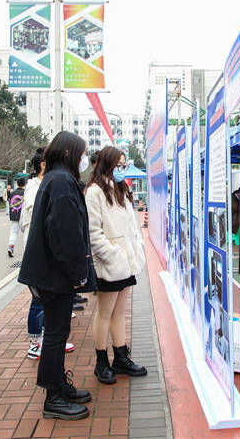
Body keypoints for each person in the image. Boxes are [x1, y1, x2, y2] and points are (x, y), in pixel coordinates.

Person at [18, 131, 96, 420]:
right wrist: (78, 273)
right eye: (82, 153)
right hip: (54, 273)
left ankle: (59, 385)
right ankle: (53, 396)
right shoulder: (62, 181)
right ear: (70, 153)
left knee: (57, 332)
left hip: (49, 272)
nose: (84, 158)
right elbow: (64, 234)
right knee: (55, 335)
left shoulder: (57, 177)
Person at [85, 147, 147, 384]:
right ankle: (102, 362)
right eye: (118, 165)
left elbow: (131, 226)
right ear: (107, 164)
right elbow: (94, 233)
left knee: (120, 312)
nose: (122, 169)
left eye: (124, 164)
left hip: (126, 262)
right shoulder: (94, 192)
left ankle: (121, 356)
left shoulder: (121, 188)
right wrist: (114, 255)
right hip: (111, 263)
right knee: (104, 313)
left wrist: (133, 250)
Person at [21, 148, 77, 360]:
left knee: (47, 300)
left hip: (49, 250)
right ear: (43, 164)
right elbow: (36, 211)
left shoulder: (50, 182)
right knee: (39, 300)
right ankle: (35, 343)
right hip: (38, 251)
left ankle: (46, 339)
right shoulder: (34, 186)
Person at [7, 178, 25, 257]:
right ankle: (26, 251)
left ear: (17, 184)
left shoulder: (12, 193)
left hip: (15, 215)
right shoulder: (26, 193)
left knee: (13, 232)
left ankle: (11, 247)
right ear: (24, 184)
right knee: (26, 233)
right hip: (24, 215)